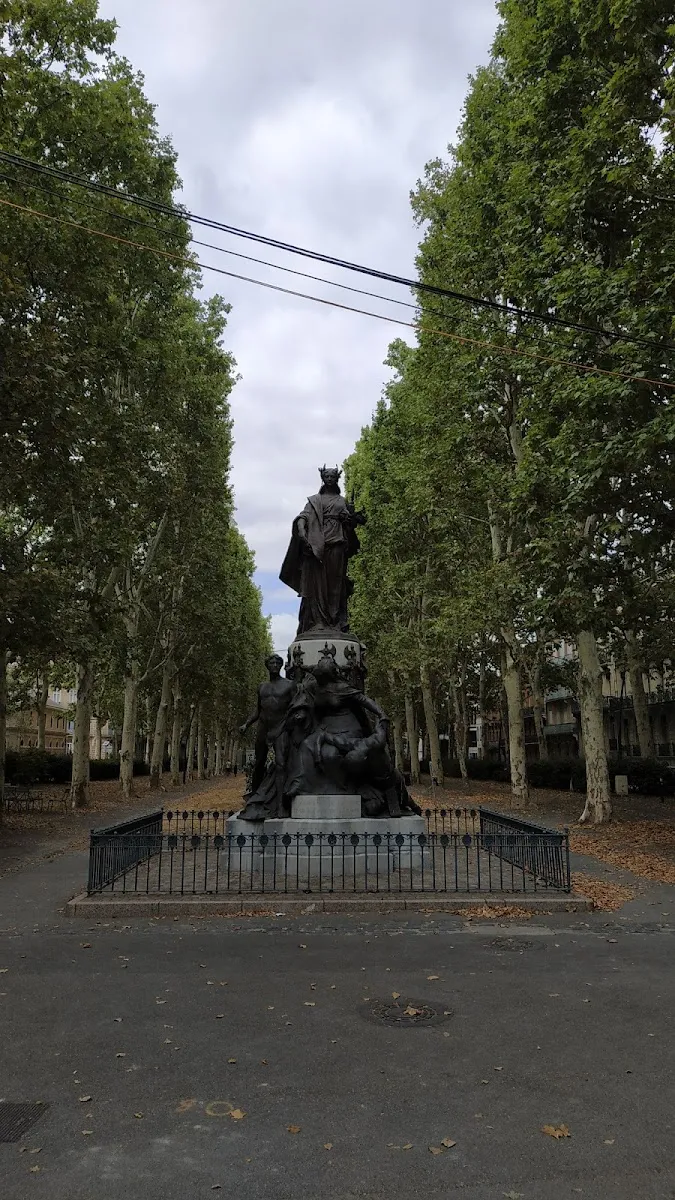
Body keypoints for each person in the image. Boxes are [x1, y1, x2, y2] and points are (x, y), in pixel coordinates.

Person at [279, 465, 366, 635]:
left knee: (336, 583)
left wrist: (349, 520)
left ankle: (335, 621)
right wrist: (302, 529)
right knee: (317, 584)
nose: (330, 479)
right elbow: (303, 516)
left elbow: (351, 524)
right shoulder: (314, 501)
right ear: (323, 478)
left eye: (333, 476)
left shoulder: (342, 501)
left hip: (338, 544)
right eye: (327, 476)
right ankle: (318, 620)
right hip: (317, 547)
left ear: (337, 479)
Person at [239, 654, 296, 816]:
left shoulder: (289, 685)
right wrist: (246, 724)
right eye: (271, 662)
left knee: (281, 763)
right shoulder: (262, 687)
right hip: (264, 726)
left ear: (281, 665)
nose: (274, 665)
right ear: (267, 665)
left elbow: (295, 707)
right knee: (259, 762)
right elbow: (258, 710)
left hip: (281, 726)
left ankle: (281, 803)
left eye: (278, 663)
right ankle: (254, 798)